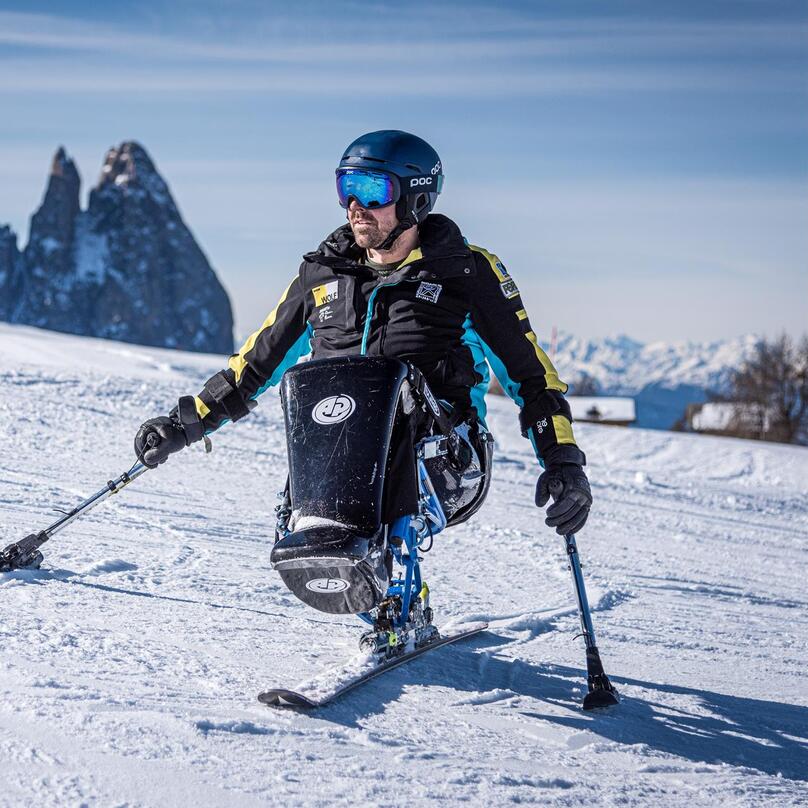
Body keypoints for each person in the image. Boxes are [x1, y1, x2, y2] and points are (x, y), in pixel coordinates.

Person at [134, 130, 592, 537]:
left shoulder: (466, 273)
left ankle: (397, 582)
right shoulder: (323, 275)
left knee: (401, 390)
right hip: (341, 452)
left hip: (443, 457)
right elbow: (257, 364)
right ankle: (319, 538)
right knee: (322, 402)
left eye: (372, 191)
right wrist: (183, 426)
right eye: (346, 188)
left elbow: (532, 378)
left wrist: (562, 460)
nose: (355, 206)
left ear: (416, 199)